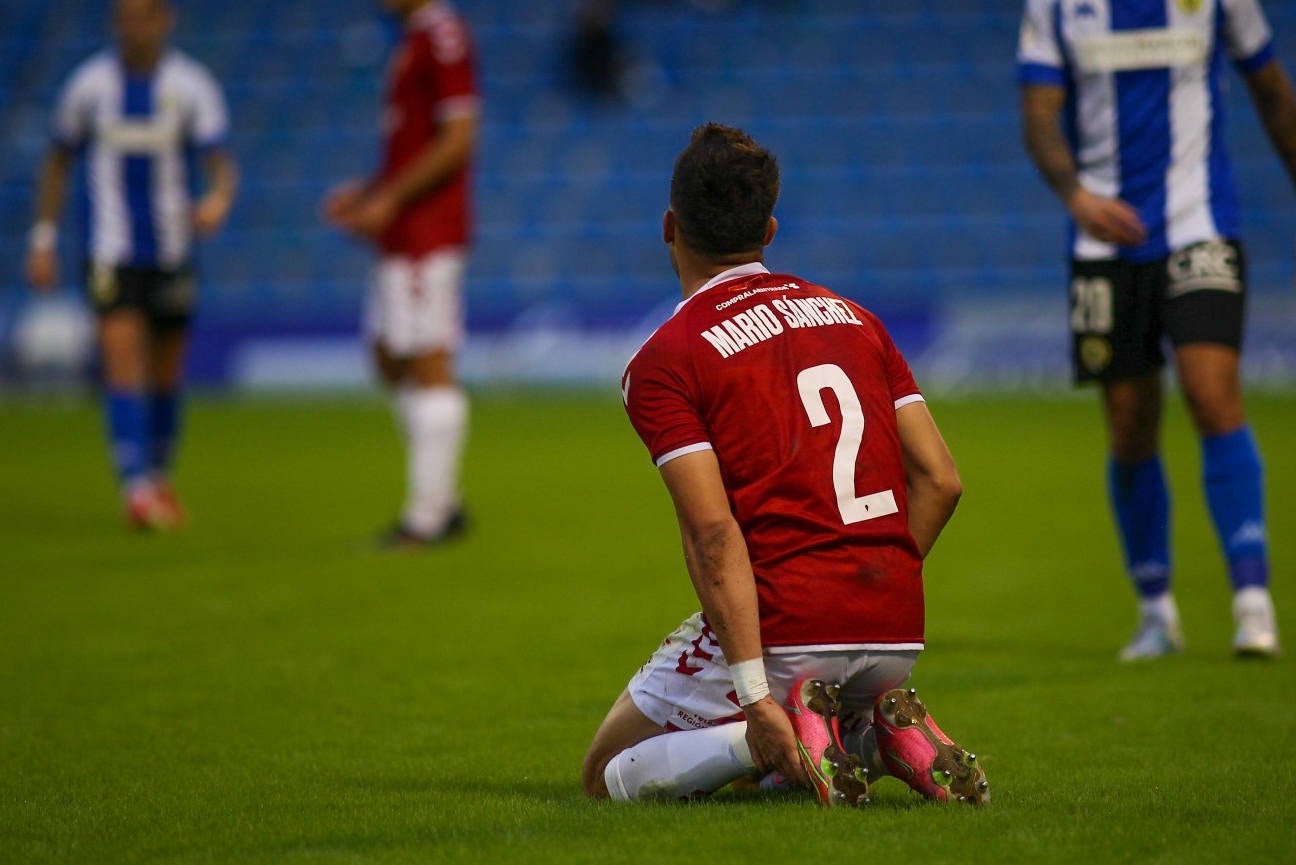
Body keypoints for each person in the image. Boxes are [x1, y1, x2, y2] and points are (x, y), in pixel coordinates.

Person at [581, 124, 989, 806]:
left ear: (668, 226)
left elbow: (712, 532)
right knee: (754, 773)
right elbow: (942, 480)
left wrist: (753, 698)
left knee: (604, 774)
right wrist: (864, 582)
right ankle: (868, 730)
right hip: (891, 621)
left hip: (788, 626)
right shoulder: (859, 319)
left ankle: (787, 732)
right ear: (769, 229)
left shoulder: (665, 359)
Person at [1018, 0, 1295, 660]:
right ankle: (1156, 610)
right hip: (1103, 239)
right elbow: (1038, 114)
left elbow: (1271, 88)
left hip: (1201, 222)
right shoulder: (1054, 5)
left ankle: (1252, 602)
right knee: (1130, 422)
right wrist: (1079, 198)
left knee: (1211, 394)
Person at [24, 0, 237, 531]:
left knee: (166, 370)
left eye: (143, 16)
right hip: (108, 250)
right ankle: (136, 487)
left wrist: (217, 200)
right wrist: (43, 238)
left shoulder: (191, 86)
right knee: (122, 356)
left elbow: (220, 164)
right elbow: (57, 162)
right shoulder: (89, 86)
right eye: (124, 17)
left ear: (165, 20)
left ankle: (159, 476)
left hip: (171, 250)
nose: (133, 27)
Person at [324, 0, 479, 550]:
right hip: (404, 233)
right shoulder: (414, 37)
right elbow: (416, 142)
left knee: (428, 358)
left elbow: (459, 136)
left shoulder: (442, 34)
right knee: (389, 355)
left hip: (426, 232)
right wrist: (370, 192)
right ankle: (444, 499)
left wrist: (391, 197)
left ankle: (429, 516)